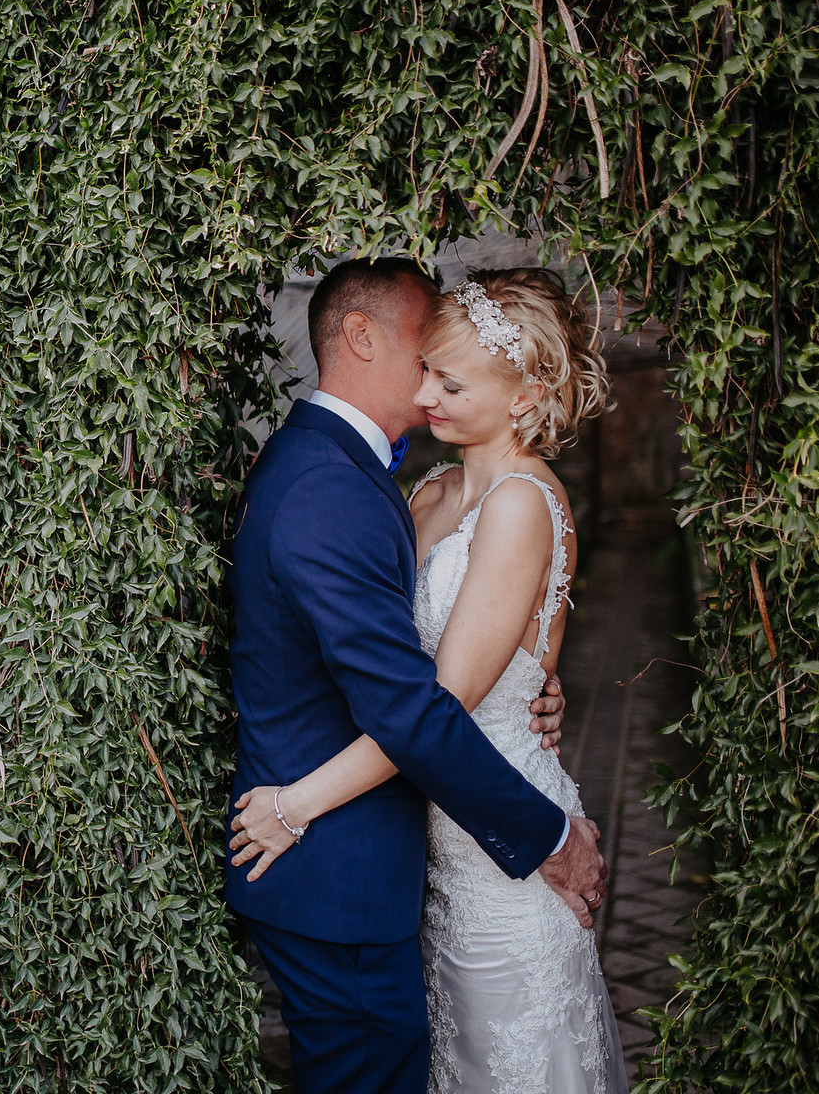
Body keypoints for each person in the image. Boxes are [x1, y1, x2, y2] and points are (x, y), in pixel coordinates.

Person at [221, 259, 615, 1094]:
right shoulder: (399, 490)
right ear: (363, 338)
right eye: (426, 363)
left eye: (451, 375)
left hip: (456, 844)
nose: (430, 391)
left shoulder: (448, 491)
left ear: (522, 392)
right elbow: (418, 697)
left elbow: (457, 681)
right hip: (398, 852)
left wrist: (534, 680)